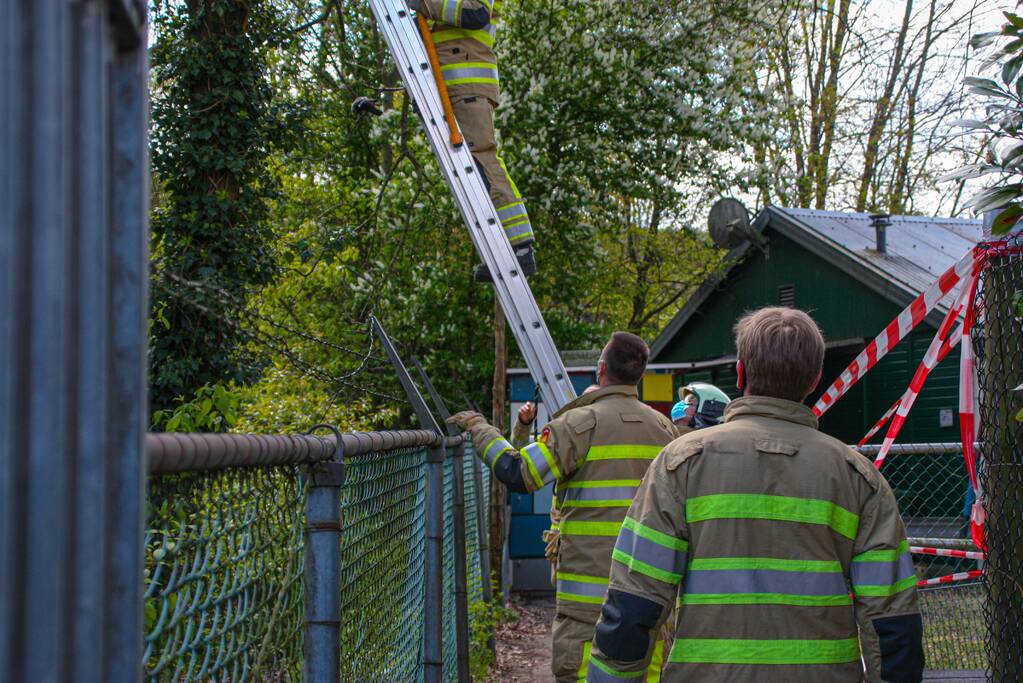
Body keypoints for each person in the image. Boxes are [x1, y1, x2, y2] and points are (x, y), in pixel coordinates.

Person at [586, 307, 924, 683]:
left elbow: (634, 602)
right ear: (814, 380)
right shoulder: (858, 478)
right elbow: (892, 622)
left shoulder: (681, 464)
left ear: (740, 372)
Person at [448, 333, 678, 682]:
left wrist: (480, 429)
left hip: (588, 604)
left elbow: (517, 473)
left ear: (601, 369)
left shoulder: (577, 425)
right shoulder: (666, 430)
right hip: (650, 594)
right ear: (639, 375)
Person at [407, 0, 536, 281]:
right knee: (474, 169)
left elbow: (475, 12)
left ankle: (519, 249)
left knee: (481, 161)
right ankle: (502, 252)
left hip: (467, 86)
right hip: (452, 87)